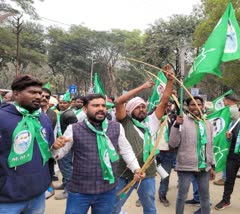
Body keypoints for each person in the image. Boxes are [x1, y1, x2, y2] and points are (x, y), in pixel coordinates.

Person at [51, 94, 144, 214]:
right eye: (95, 105)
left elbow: (126, 150)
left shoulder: (116, 127)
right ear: (85, 109)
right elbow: (58, 155)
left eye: (103, 105)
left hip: (107, 191)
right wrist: (55, 147)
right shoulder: (74, 128)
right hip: (80, 191)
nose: (101, 108)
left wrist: (136, 168)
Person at [113, 66, 174, 214]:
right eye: (137, 107)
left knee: (150, 208)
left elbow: (165, 100)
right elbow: (119, 102)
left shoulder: (152, 120)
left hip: (148, 172)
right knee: (114, 207)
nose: (142, 109)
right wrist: (143, 87)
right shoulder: (124, 121)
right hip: (125, 171)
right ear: (130, 110)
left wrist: (170, 80)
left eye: (143, 107)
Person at [0, 75, 54, 213]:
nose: (39, 96)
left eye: (40, 93)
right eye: (32, 92)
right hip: (6, 200)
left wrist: (48, 180)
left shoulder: (43, 119)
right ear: (16, 94)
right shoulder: (2, 117)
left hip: (37, 196)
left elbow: (49, 154)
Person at [169, 96, 215, 214]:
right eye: (192, 105)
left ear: (202, 106)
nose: (196, 107)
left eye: (198, 104)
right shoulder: (181, 121)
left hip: (204, 167)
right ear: (187, 107)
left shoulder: (208, 123)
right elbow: (173, 144)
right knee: (181, 196)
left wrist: (212, 166)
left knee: (205, 197)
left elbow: (210, 146)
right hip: (186, 166)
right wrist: (176, 126)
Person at [54, 92, 78, 200]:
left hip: (66, 145)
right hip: (60, 143)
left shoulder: (70, 115)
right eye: (61, 102)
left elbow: (74, 131)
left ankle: (69, 190)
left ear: (69, 103)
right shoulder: (62, 113)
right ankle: (64, 183)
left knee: (66, 167)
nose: (62, 104)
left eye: (65, 102)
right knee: (62, 165)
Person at [214, 93, 239, 186]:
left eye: (224, 100)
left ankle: (225, 178)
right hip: (232, 136)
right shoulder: (235, 109)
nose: (223, 102)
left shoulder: (230, 110)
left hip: (230, 136)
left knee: (226, 156)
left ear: (228, 100)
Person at [157, 100, 177, 207]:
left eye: (169, 105)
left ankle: (162, 195)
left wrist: (176, 97)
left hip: (169, 152)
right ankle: (142, 197)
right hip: (153, 152)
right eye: (165, 104)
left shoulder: (173, 118)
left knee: (165, 175)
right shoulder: (153, 117)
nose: (167, 107)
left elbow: (180, 110)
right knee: (146, 175)